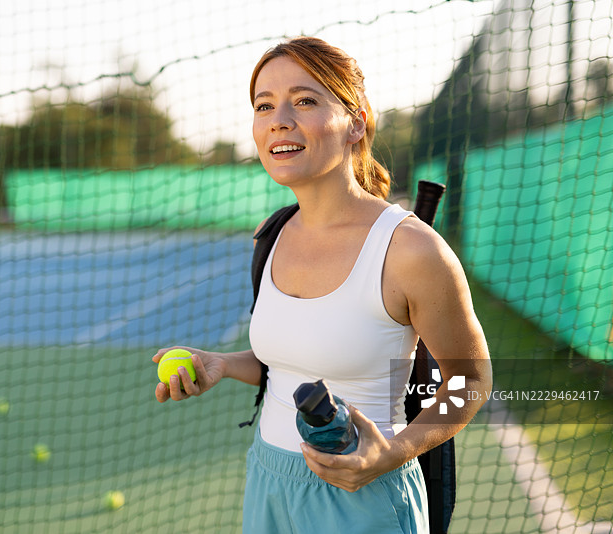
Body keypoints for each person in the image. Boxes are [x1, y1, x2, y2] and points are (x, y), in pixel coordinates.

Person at [152, 36, 492, 533]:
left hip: (365, 496)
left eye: (304, 100)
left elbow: (472, 381)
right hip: (268, 480)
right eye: (263, 105)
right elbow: (290, 363)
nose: (278, 119)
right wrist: (220, 364)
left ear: (356, 122)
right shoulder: (271, 236)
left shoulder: (410, 250)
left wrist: (389, 454)